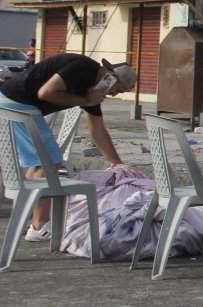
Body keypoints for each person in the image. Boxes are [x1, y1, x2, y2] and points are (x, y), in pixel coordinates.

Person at [0, 53, 136, 240]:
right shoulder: (84, 67)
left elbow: (97, 129)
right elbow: (46, 92)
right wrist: (85, 100)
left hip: (12, 102)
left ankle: (27, 219)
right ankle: (39, 226)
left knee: (38, 166)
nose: (112, 94)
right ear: (110, 76)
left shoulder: (92, 90)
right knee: (50, 162)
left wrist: (116, 163)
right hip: (18, 102)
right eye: (118, 90)